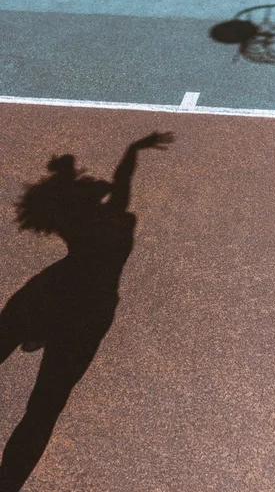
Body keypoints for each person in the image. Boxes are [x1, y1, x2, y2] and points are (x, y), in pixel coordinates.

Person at [0, 131, 173, 492]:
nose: (100, 184)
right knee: (44, 409)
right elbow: (120, 181)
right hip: (88, 313)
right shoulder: (113, 215)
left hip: (49, 294)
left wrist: (123, 154)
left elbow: (112, 183)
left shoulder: (72, 221)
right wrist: (132, 149)